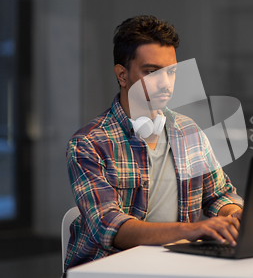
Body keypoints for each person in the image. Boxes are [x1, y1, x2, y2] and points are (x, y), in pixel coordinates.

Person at [64, 15, 243, 271]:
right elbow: (110, 227)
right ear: (122, 75)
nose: (165, 83)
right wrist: (193, 230)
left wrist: (233, 214)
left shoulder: (188, 131)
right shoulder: (88, 143)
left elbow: (219, 194)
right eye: (151, 72)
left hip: (176, 266)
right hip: (108, 270)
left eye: (171, 72)